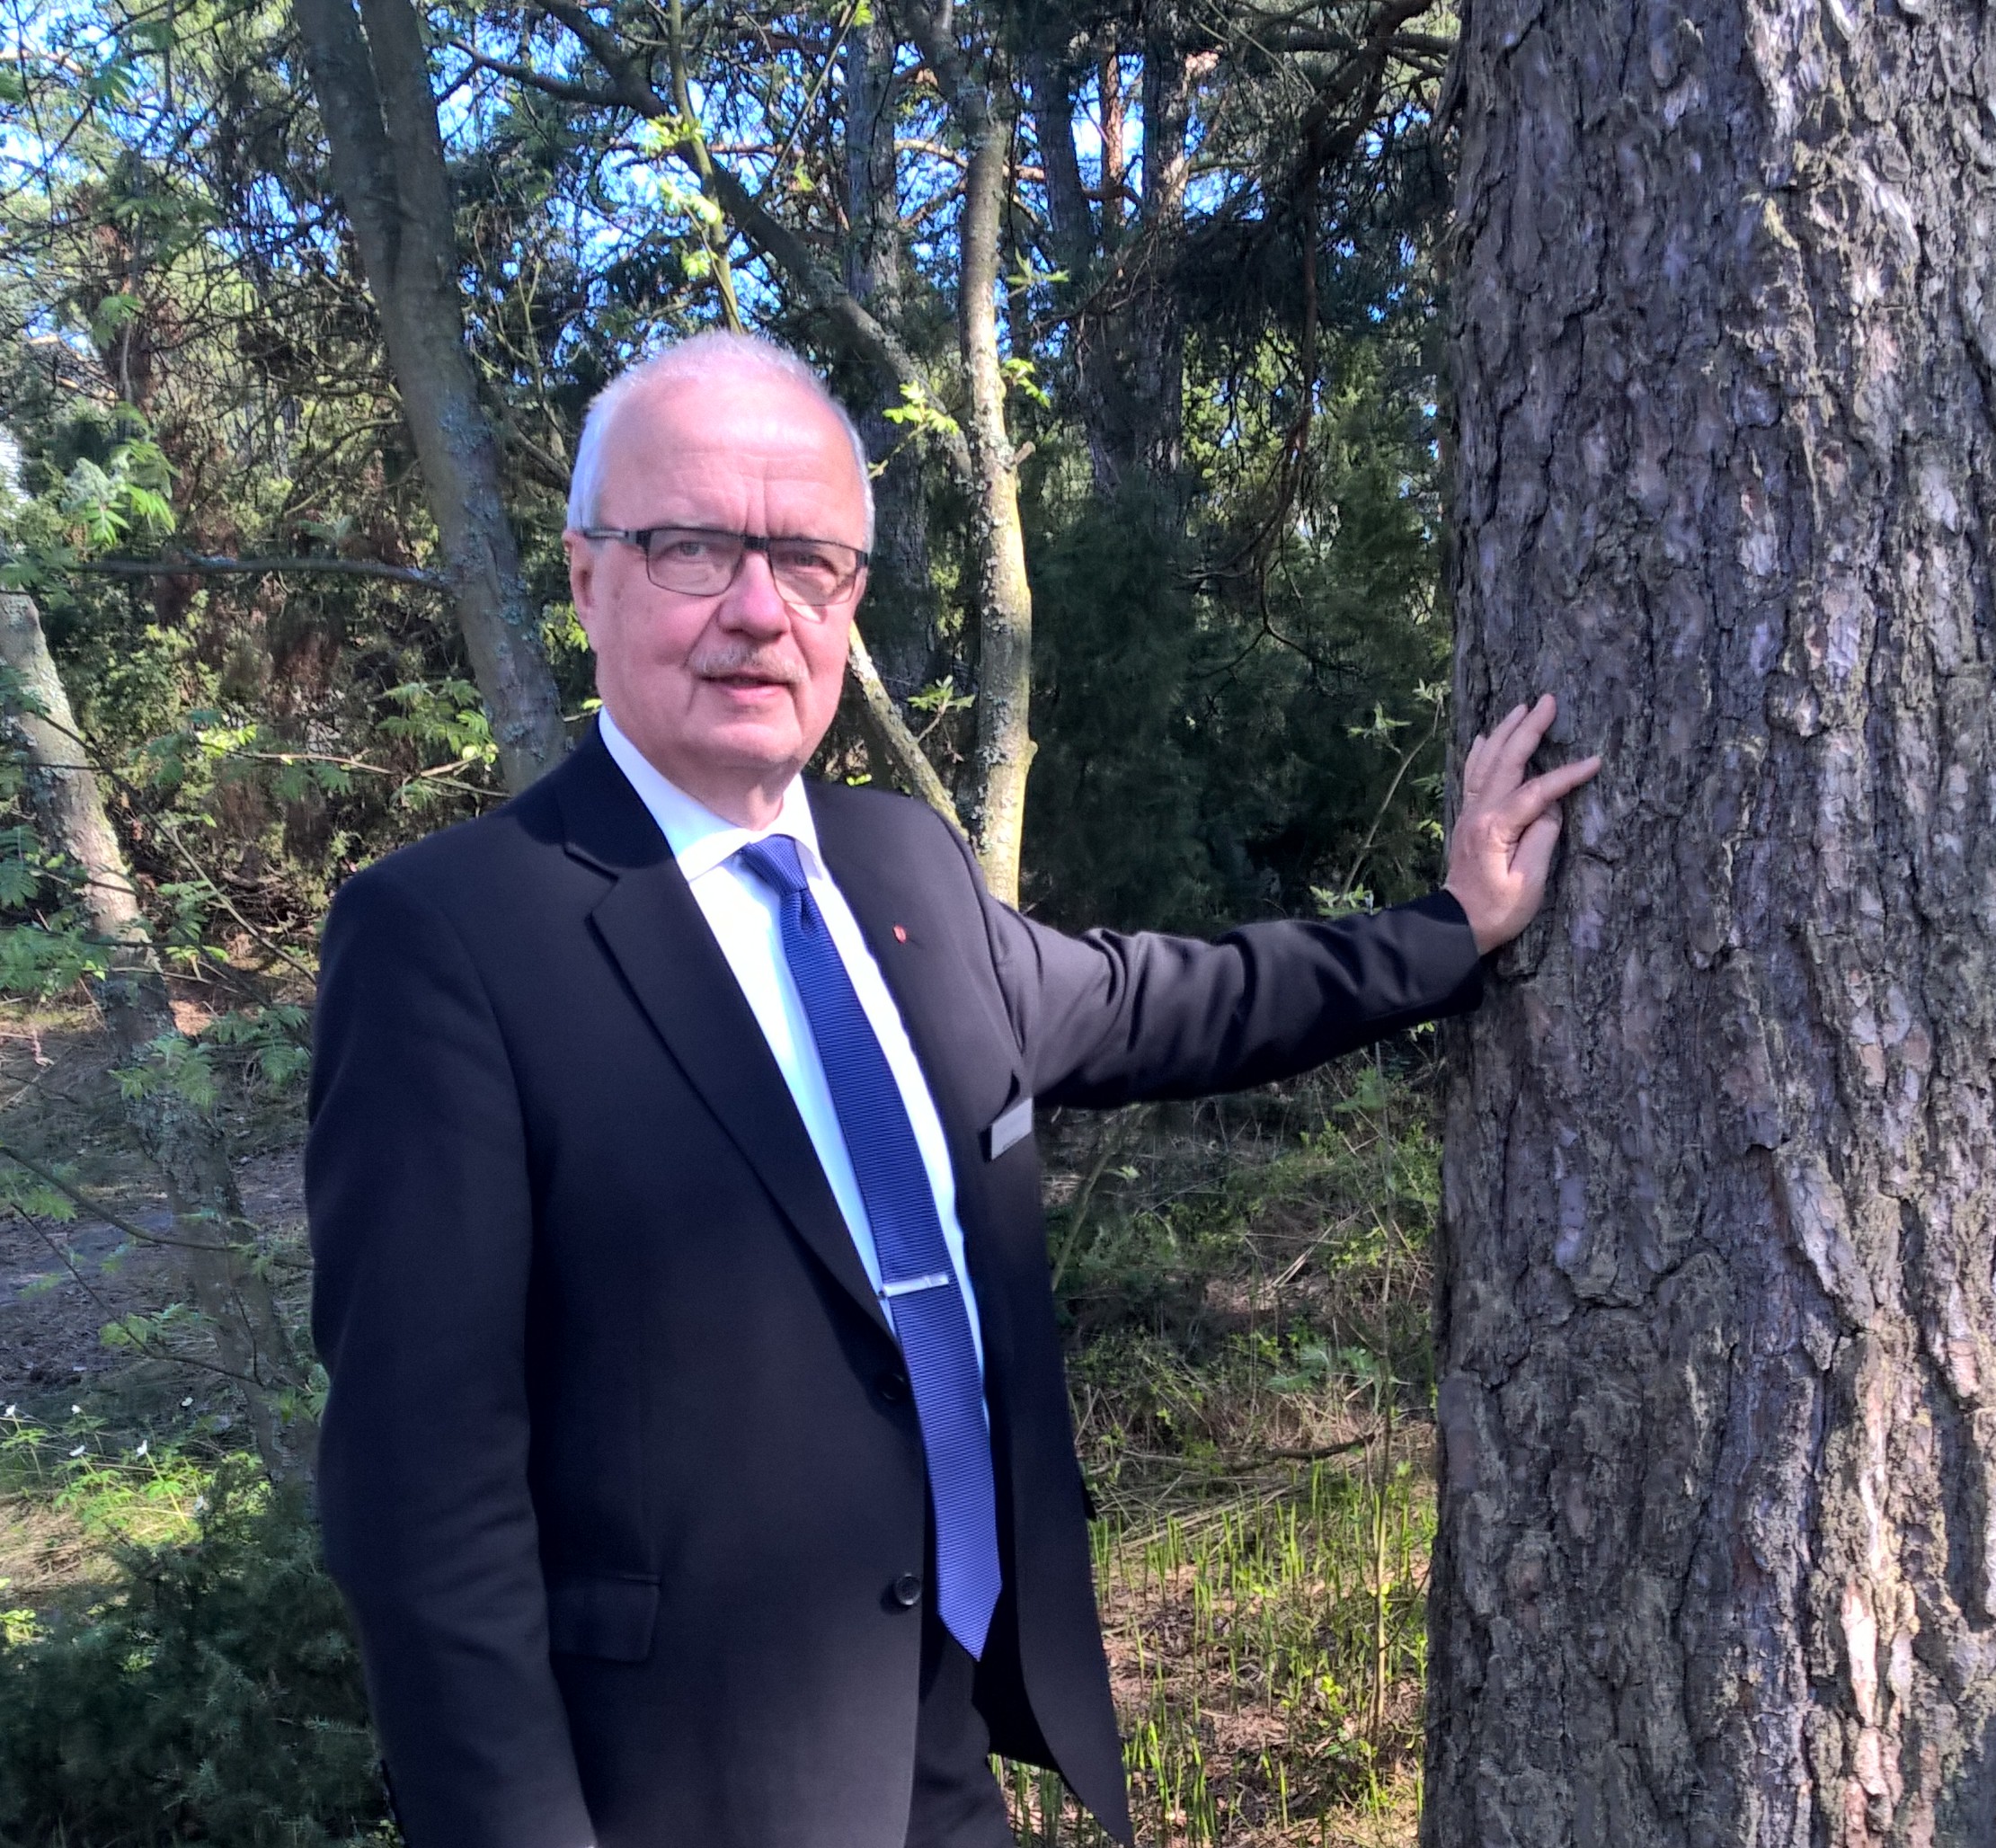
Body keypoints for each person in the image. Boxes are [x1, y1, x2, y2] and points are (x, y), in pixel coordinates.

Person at [306, 330, 1599, 1848]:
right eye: (690, 548)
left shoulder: (896, 862)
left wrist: (1448, 930)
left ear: (850, 598)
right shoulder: (451, 937)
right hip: (684, 1787)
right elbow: (420, 1497)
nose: (756, 610)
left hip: (943, 1725)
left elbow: (1152, 1001)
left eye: (807, 561)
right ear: (586, 578)